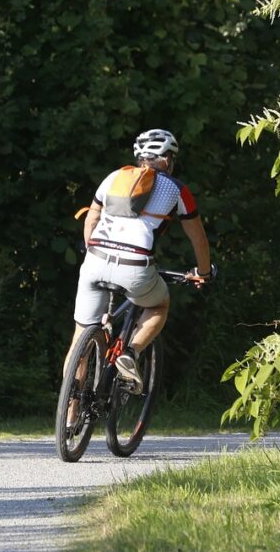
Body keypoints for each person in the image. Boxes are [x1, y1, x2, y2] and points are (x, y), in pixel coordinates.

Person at [65, 128, 213, 398]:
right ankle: (131, 352)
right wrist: (203, 272)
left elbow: (91, 219)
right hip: (135, 266)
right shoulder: (177, 189)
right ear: (167, 159)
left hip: (94, 259)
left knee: (80, 337)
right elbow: (199, 239)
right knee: (158, 304)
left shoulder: (113, 177)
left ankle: (69, 417)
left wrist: (91, 250)